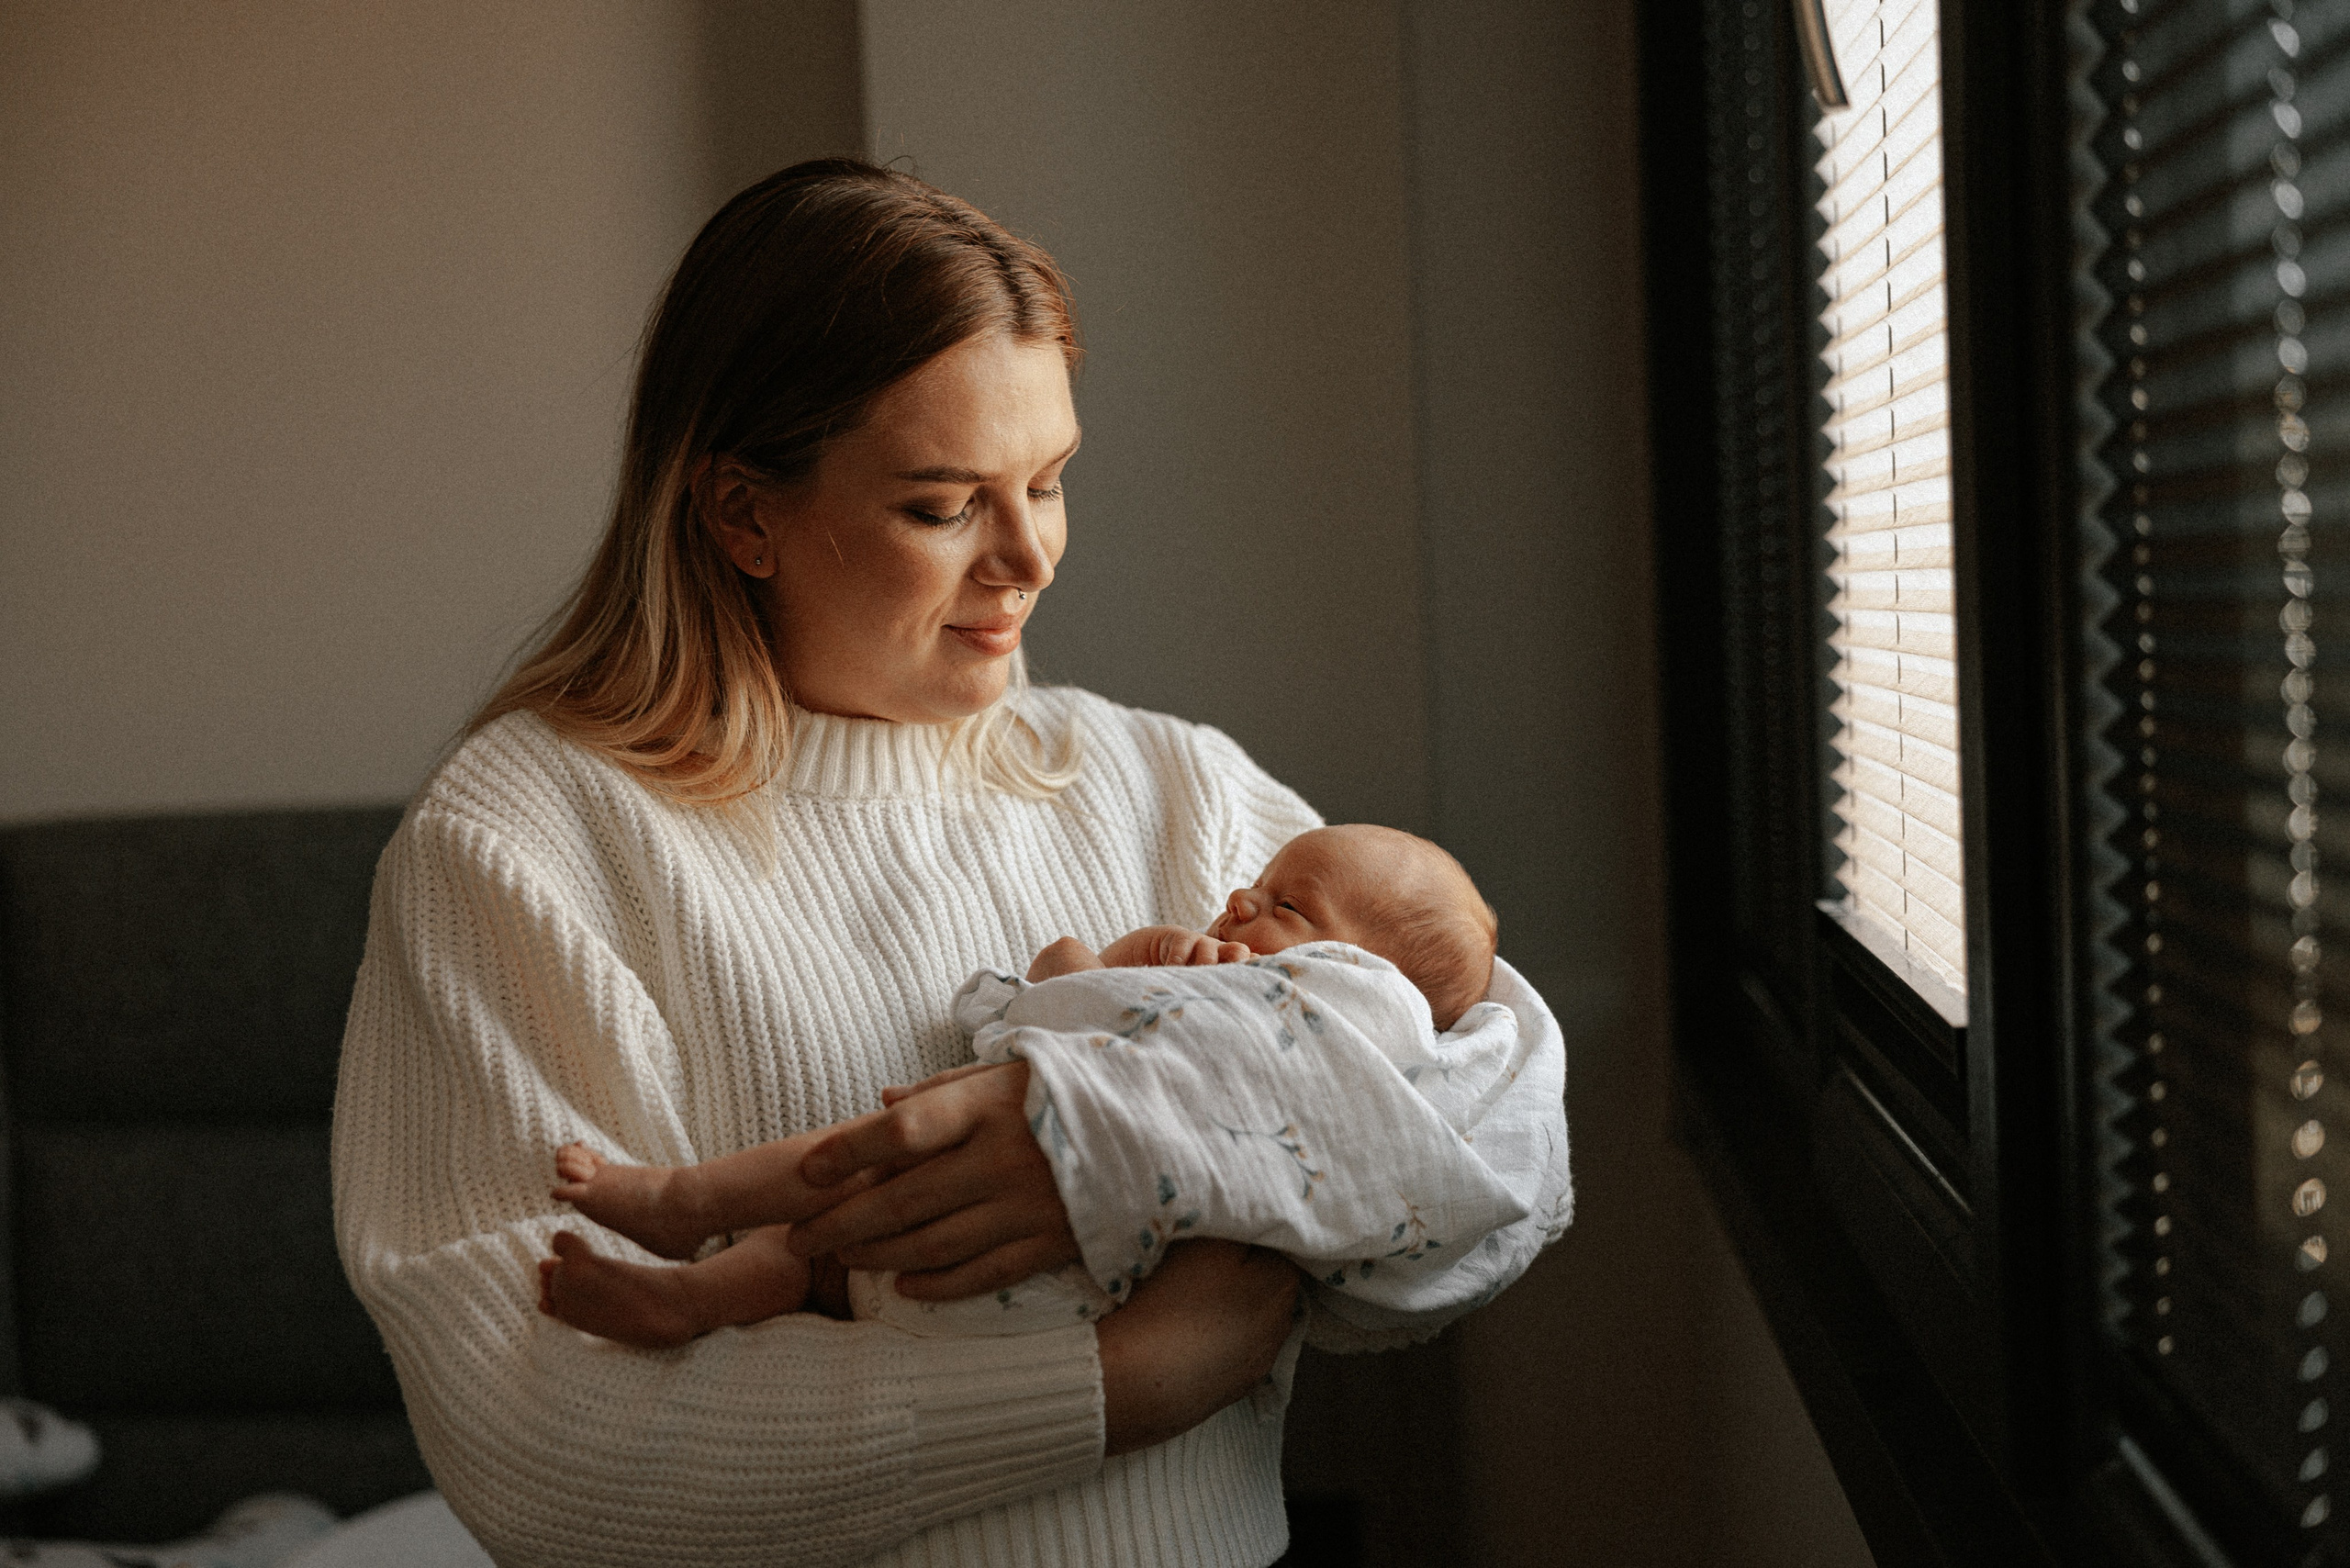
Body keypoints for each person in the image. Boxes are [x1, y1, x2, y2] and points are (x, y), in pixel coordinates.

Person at [330, 158, 1571, 1567]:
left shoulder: (1175, 787)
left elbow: (1502, 1142)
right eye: (944, 505)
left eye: (1050, 481)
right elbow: (545, 1441)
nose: (1030, 556)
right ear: (743, 514)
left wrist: (1154, 1156)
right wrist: (1118, 1385)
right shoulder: (525, 843)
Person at [534, 824, 1550, 1350]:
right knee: (799, 1256)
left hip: (1062, 1293)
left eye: (1285, 903)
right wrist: (1136, 962)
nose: (1239, 898)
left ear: (1353, 978)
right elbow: (1098, 1009)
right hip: (982, 1294)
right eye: (1255, 880)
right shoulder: (1222, 983)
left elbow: (1075, 1005)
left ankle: (681, 1200)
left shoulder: (1315, 1019)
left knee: (836, 1180)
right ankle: (685, 1296)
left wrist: (1115, 968)